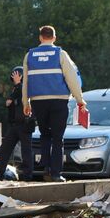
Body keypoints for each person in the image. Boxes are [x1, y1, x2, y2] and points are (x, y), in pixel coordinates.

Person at [23, 25, 87, 182]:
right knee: (58, 138)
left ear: (40, 38)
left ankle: (46, 168)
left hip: (38, 101)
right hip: (59, 100)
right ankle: (56, 174)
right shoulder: (60, 54)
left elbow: (26, 82)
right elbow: (71, 78)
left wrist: (26, 102)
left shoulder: (29, 55)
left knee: (45, 135)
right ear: (54, 38)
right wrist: (80, 100)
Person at [0, 66, 35, 181]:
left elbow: (24, 97)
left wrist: (18, 84)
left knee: (26, 151)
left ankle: (28, 175)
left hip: (25, 123)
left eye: (16, 76)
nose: (14, 78)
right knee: (4, 149)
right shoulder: (16, 89)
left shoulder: (26, 88)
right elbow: (8, 102)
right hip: (14, 124)